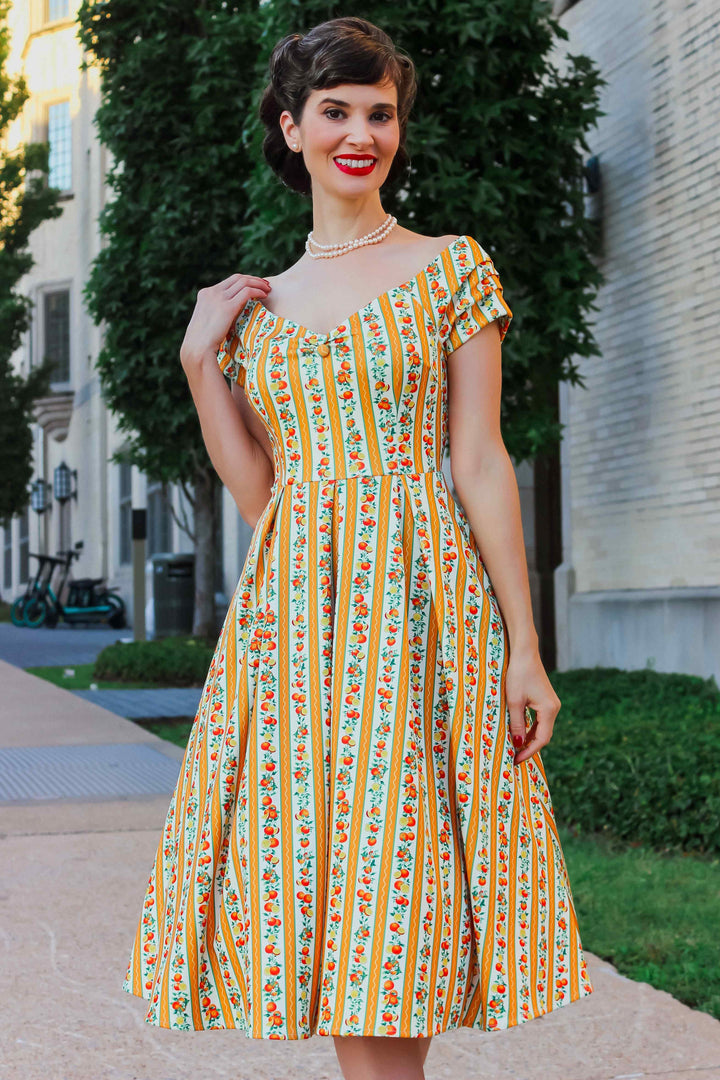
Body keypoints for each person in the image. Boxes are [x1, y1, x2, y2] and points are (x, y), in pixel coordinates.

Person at [122, 16, 594, 1080]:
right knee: (330, 890)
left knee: (399, 883)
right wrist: (202, 366)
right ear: (291, 129)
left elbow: (479, 460)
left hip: (423, 611)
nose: (361, 133)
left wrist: (524, 645)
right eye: (335, 111)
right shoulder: (258, 312)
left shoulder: (449, 269)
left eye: (379, 113)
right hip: (295, 625)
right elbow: (263, 495)